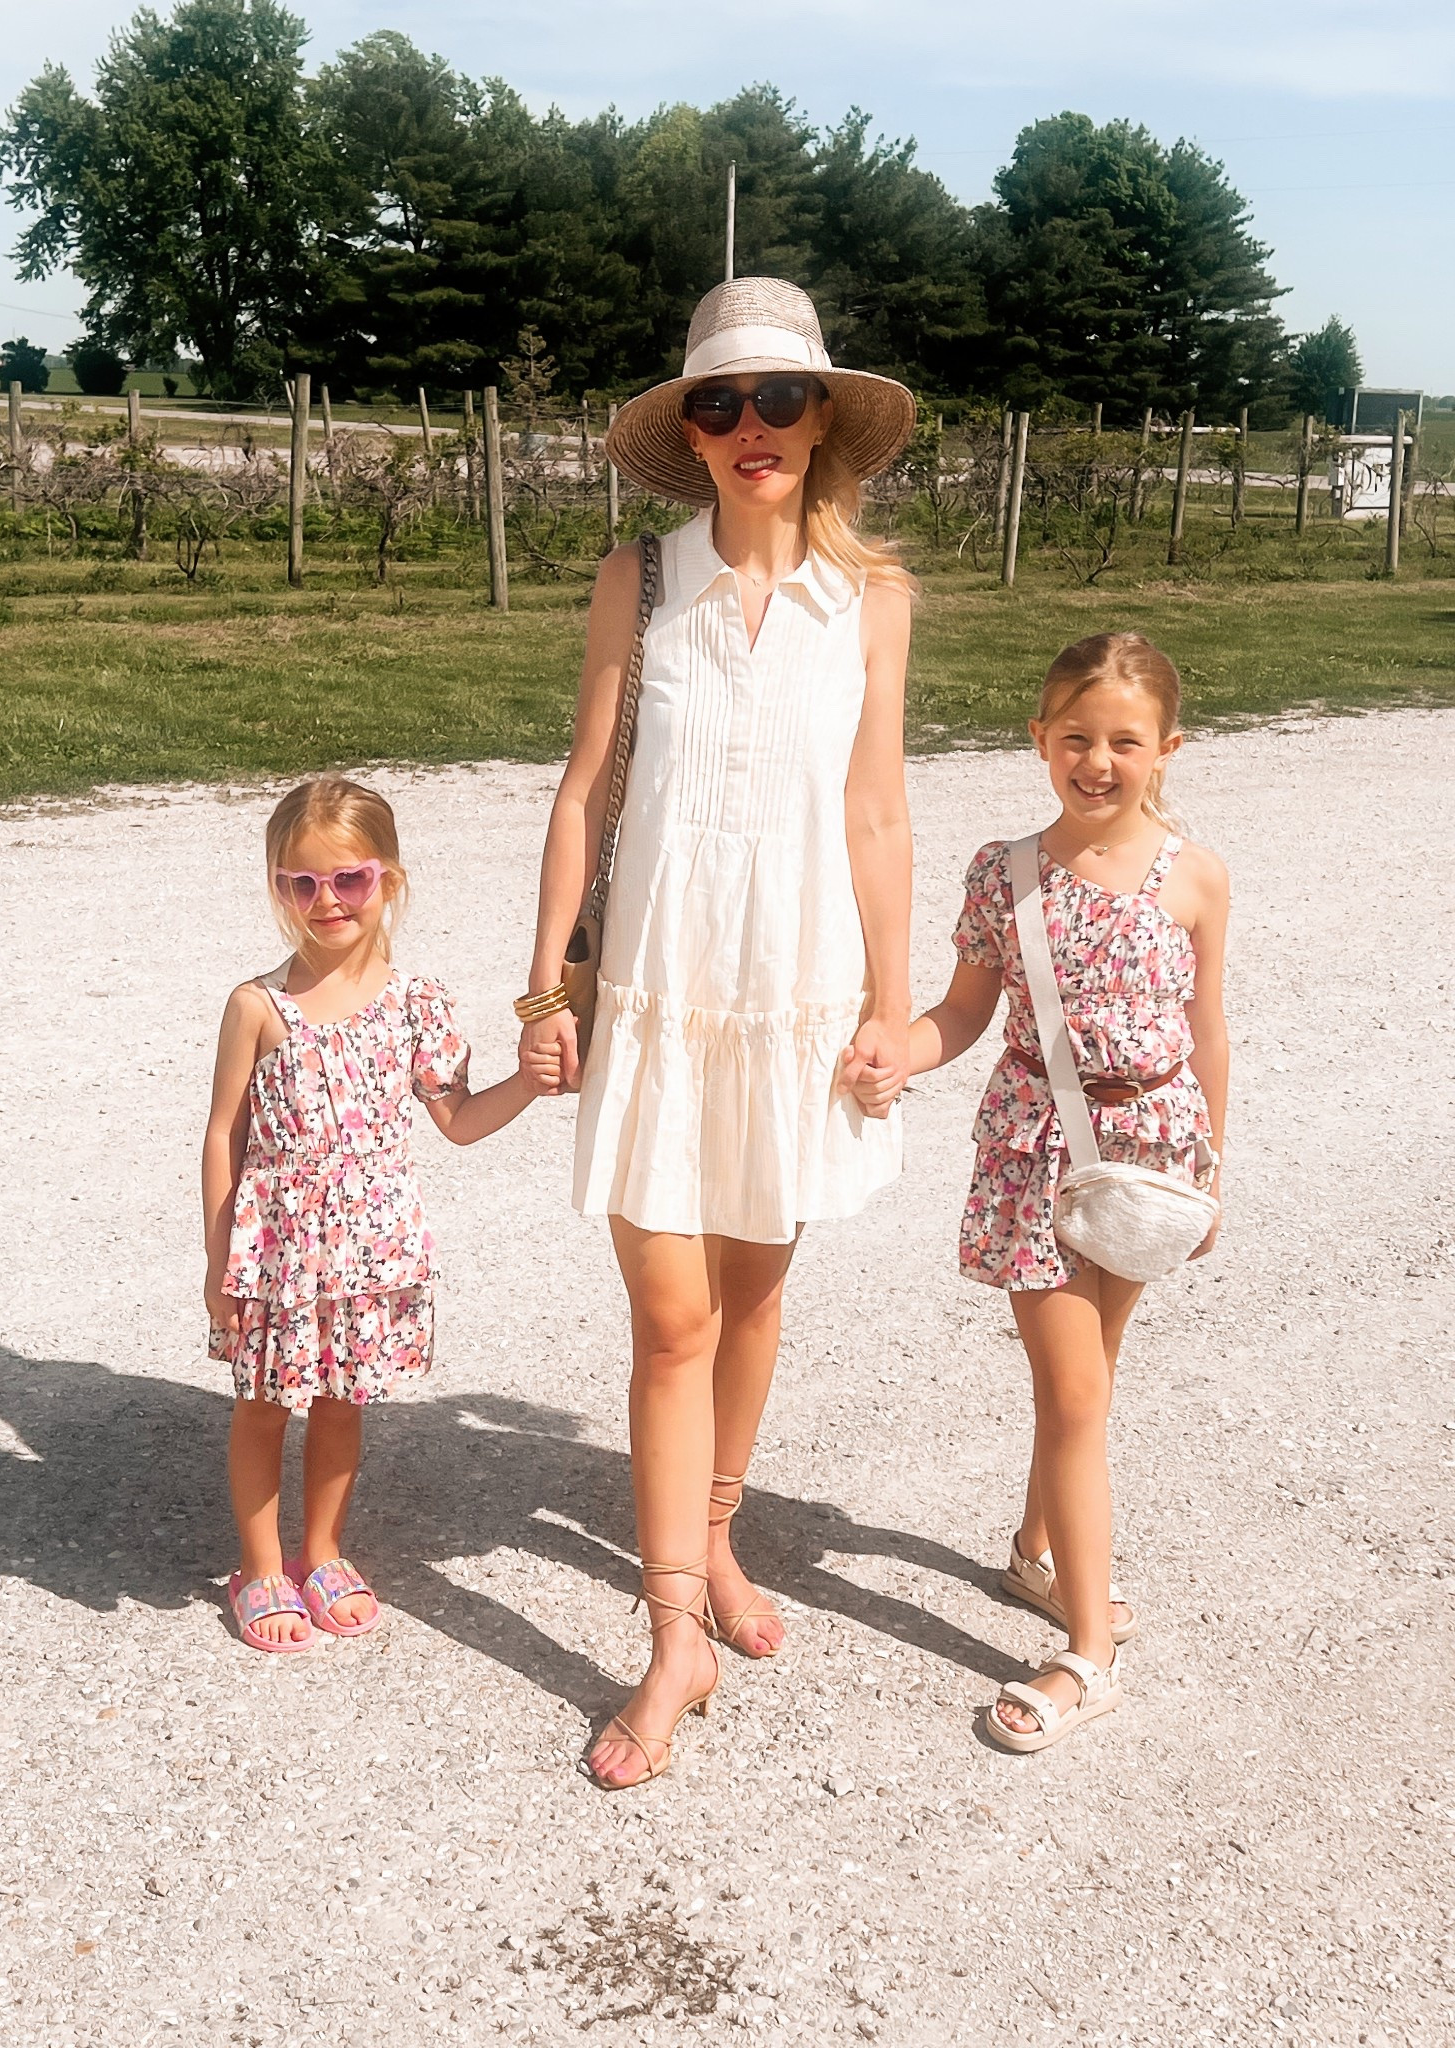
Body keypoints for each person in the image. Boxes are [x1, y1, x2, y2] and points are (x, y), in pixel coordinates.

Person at [518, 277, 917, 1786]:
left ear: (825, 422)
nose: (752, 426)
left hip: (798, 995)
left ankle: (718, 1538)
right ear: (689, 431)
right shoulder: (640, 577)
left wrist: (891, 1007)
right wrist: (546, 986)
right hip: (661, 992)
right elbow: (586, 789)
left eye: (780, 398)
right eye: (718, 402)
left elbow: (876, 813)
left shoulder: (873, 600)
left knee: (752, 1302)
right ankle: (673, 1630)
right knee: (672, 1320)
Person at [859, 633, 1229, 1751]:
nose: (1098, 761)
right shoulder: (1004, 872)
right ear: (1039, 739)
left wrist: (1212, 1171)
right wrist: (900, 1049)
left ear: (1167, 749)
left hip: (1153, 1147)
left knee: (1090, 1382)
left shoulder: (1197, 876)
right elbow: (963, 1012)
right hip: (1036, 1151)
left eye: (1125, 741)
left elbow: (1208, 1030)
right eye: (1076, 737)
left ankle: (1036, 1553)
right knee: (1073, 1393)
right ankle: (1090, 1653)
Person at [203, 775, 556, 1653]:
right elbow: (222, 1136)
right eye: (301, 883)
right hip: (276, 1253)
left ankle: (322, 1550)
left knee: (341, 1403)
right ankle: (260, 1565)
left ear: (388, 880)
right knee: (262, 1404)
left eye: (348, 879)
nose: (326, 900)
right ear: (279, 888)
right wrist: (218, 1263)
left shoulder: (415, 1005)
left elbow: (458, 1120)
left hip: (369, 1251)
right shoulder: (258, 1006)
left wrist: (528, 1082)